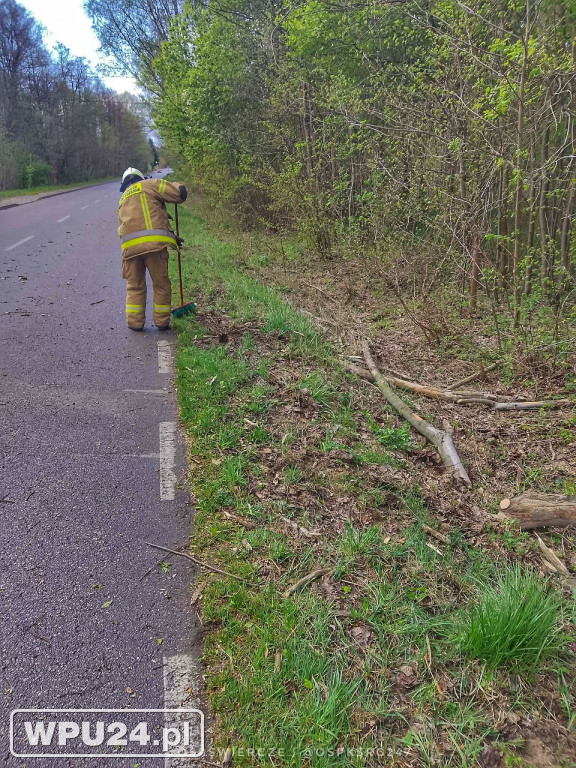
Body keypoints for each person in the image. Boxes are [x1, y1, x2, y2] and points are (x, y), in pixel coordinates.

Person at [117, 167, 188, 331]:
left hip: (130, 250)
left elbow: (130, 227)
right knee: (161, 284)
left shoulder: (122, 199)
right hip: (154, 248)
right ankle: (162, 322)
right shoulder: (149, 185)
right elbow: (179, 193)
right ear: (140, 178)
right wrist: (179, 185)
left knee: (135, 286)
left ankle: (134, 323)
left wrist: (172, 237)